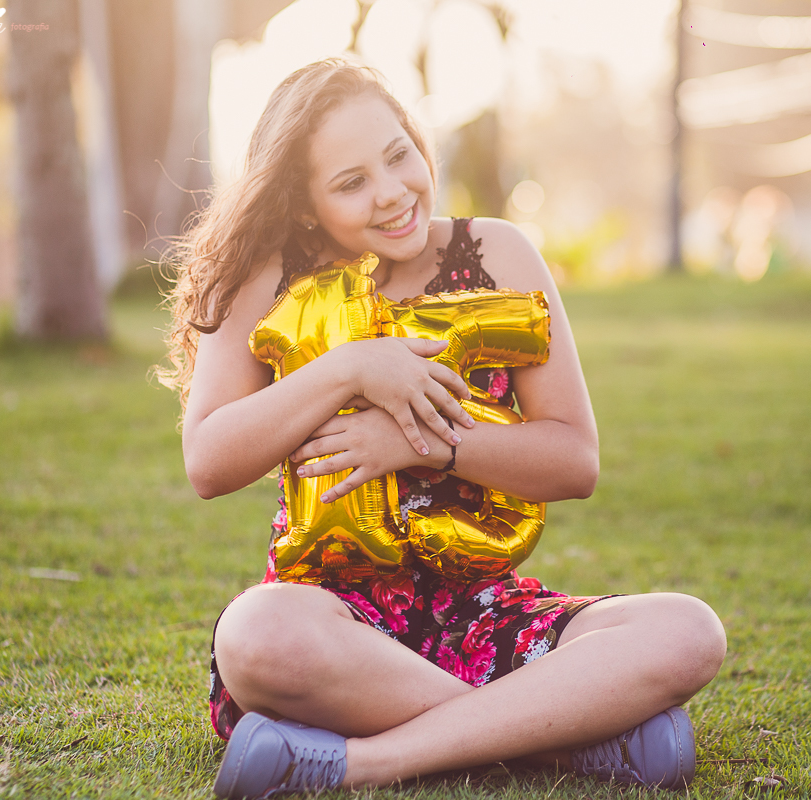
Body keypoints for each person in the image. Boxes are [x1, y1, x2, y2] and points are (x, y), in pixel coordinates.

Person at [160, 58, 726, 796]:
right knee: (254, 636)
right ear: (304, 205)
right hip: (331, 624)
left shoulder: (496, 255)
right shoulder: (264, 282)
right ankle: (561, 739)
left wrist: (422, 443)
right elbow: (208, 462)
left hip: (485, 612)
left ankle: (365, 761)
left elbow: (574, 461)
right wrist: (352, 367)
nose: (392, 192)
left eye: (398, 155)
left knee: (688, 633)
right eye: (350, 181)